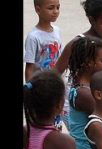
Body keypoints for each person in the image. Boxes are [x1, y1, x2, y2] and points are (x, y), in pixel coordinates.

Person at [55, 0, 102, 128]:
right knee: (89, 136)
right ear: (92, 20)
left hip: (101, 96)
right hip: (79, 101)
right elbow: (56, 71)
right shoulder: (79, 43)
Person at [24, 0, 63, 130]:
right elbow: (29, 67)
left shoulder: (57, 31)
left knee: (57, 124)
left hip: (55, 85)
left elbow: (59, 58)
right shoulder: (33, 37)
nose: (55, 11)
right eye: (51, 8)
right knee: (42, 124)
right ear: (38, 9)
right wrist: (31, 91)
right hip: (41, 88)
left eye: (58, 7)